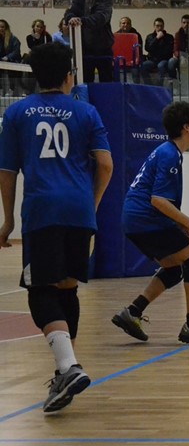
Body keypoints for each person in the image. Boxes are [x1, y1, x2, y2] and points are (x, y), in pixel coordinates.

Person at [0, 42, 113, 413]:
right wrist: (91, 205)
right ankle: (65, 370)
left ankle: (68, 366)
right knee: (66, 289)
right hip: (79, 211)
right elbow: (106, 165)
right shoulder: (86, 111)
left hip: (43, 211)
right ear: (69, 76)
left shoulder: (17, 113)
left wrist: (8, 220)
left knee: (39, 290)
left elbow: (7, 172)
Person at [111, 101, 189, 346]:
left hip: (136, 219)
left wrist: (179, 224)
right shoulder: (169, 154)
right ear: (186, 127)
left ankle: (132, 312)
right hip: (145, 218)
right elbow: (158, 200)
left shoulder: (168, 152)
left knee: (174, 269)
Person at [64, 0, 114, 83]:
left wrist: (79, 20)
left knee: (106, 85)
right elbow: (69, 12)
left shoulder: (106, 0)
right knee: (85, 84)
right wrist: (71, 18)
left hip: (103, 49)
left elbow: (101, 18)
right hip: (84, 49)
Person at [141, 17, 174, 86]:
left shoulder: (169, 37)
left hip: (163, 59)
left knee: (161, 66)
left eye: (161, 26)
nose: (159, 28)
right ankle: (149, 85)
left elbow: (169, 50)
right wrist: (157, 38)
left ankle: (159, 86)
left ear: (163, 26)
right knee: (143, 66)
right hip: (152, 60)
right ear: (154, 26)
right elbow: (148, 48)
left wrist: (156, 51)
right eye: (157, 26)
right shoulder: (150, 37)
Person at [0, 19, 23, 96]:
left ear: (6, 28)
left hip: (13, 61)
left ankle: (11, 90)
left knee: (11, 68)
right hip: (2, 62)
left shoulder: (13, 38)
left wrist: (7, 57)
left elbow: (16, 52)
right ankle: (1, 90)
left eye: (2, 27)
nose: (1, 29)